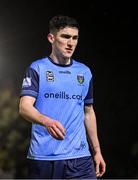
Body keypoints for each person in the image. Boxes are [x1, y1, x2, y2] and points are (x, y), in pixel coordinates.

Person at [19, 15, 106, 179]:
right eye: (65, 37)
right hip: (44, 158)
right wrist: (47, 121)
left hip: (80, 158)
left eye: (75, 38)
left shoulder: (84, 72)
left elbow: (88, 112)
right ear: (51, 38)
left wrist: (97, 151)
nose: (71, 43)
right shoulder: (37, 68)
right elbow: (24, 107)